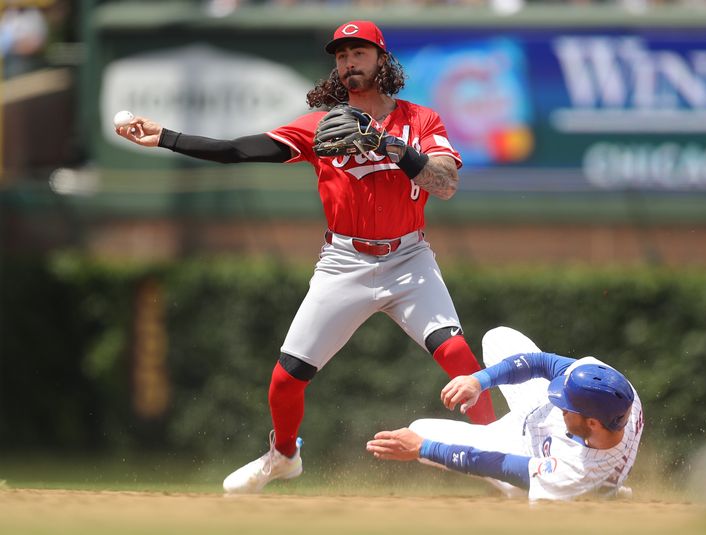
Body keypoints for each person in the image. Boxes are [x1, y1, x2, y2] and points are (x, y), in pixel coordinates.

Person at [115, 19, 496, 493]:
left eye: (358, 53)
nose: (348, 62)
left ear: (382, 59)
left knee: (460, 356)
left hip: (409, 259)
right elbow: (239, 149)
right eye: (341, 56)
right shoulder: (321, 125)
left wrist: (391, 147)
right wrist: (166, 136)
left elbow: (445, 184)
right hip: (345, 263)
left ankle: (496, 459)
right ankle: (283, 455)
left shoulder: (420, 121)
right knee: (286, 380)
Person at [366, 326, 644, 501]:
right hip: (539, 420)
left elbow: (499, 465)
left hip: (530, 454)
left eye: (566, 404)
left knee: (420, 430)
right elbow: (542, 362)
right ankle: (601, 493)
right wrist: (479, 381)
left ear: (592, 422)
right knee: (498, 337)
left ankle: (600, 496)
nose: (558, 400)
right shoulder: (613, 388)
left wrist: (424, 448)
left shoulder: (576, 471)